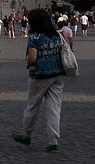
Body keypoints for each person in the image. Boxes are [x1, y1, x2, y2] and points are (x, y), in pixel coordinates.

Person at [13, 9, 66, 152]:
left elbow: (32, 58)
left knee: (32, 106)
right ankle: (53, 142)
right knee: (54, 109)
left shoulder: (35, 36)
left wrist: (28, 65)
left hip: (40, 75)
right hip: (58, 75)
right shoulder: (56, 35)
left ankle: (27, 135)